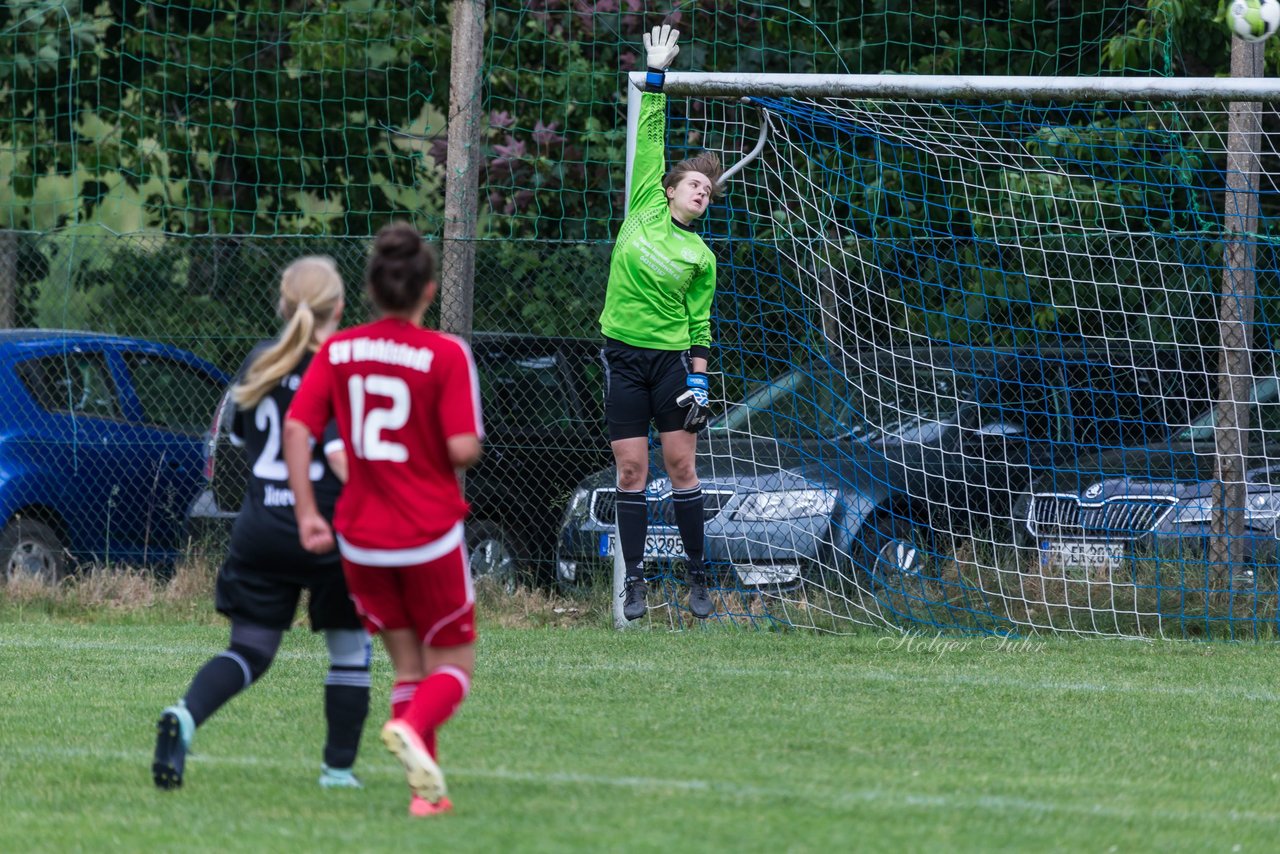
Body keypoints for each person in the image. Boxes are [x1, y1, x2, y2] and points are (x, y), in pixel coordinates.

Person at [283, 222, 483, 818]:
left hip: (361, 540)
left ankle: (426, 797)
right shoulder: (446, 353)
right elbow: (463, 448)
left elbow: (299, 428)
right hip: (426, 536)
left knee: (407, 664)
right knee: (455, 665)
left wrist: (308, 513)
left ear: (370, 290)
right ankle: (416, 730)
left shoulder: (339, 350)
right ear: (428, 292)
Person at [152, 256, 371, 791]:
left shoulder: (258, 363)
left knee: (248, 650)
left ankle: (184, 716)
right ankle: (337, 771)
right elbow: (342, 455)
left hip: (261, 528)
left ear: (282, 304)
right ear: (339, 307)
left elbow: (239, 444)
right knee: (349, 650)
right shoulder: (340, 365)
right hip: (326, 528)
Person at [601, 25, 724, 622]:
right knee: (631, 470)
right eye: (695, 183)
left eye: (710, 189)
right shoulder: (644, 207)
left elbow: (699, 325)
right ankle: (635, 584)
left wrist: (699, 379)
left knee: (681, 467)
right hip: (623, 356)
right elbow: (649, 135)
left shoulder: (703, 258)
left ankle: (699, 580)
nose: (704, 191)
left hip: (671, 364)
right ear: (669, 189)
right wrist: (657, 72)